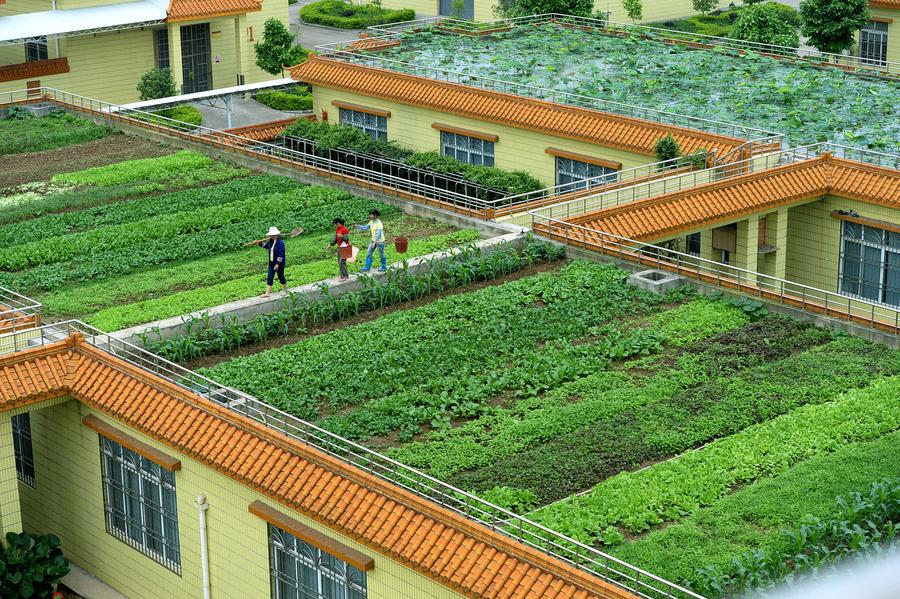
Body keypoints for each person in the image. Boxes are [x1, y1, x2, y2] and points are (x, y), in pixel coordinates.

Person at [259, 226, 286, 297]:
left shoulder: (281, 243)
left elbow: (281, 255)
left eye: (274, 235)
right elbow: (265, 246)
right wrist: (260, 243)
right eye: (271, 235)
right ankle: (267, 293)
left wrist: (277, 264)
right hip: (271, 263)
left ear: (276, 234)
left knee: (281, 276)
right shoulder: (270, 241)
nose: (272, 236)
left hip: (279, 264)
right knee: (270, 277)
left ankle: (285, 290)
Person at [329, 217, 351, 281]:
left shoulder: (344, 229)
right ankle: (345, 275)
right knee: (340, 262)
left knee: (342, 262)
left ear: (338, 223)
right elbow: (335, 239)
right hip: (340, 247)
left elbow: (347, 238)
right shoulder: (337, 230)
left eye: (335, 224)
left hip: (345, 247)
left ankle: (344, 276)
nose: (335, 225)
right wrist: (330, 244)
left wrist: (342, 236)